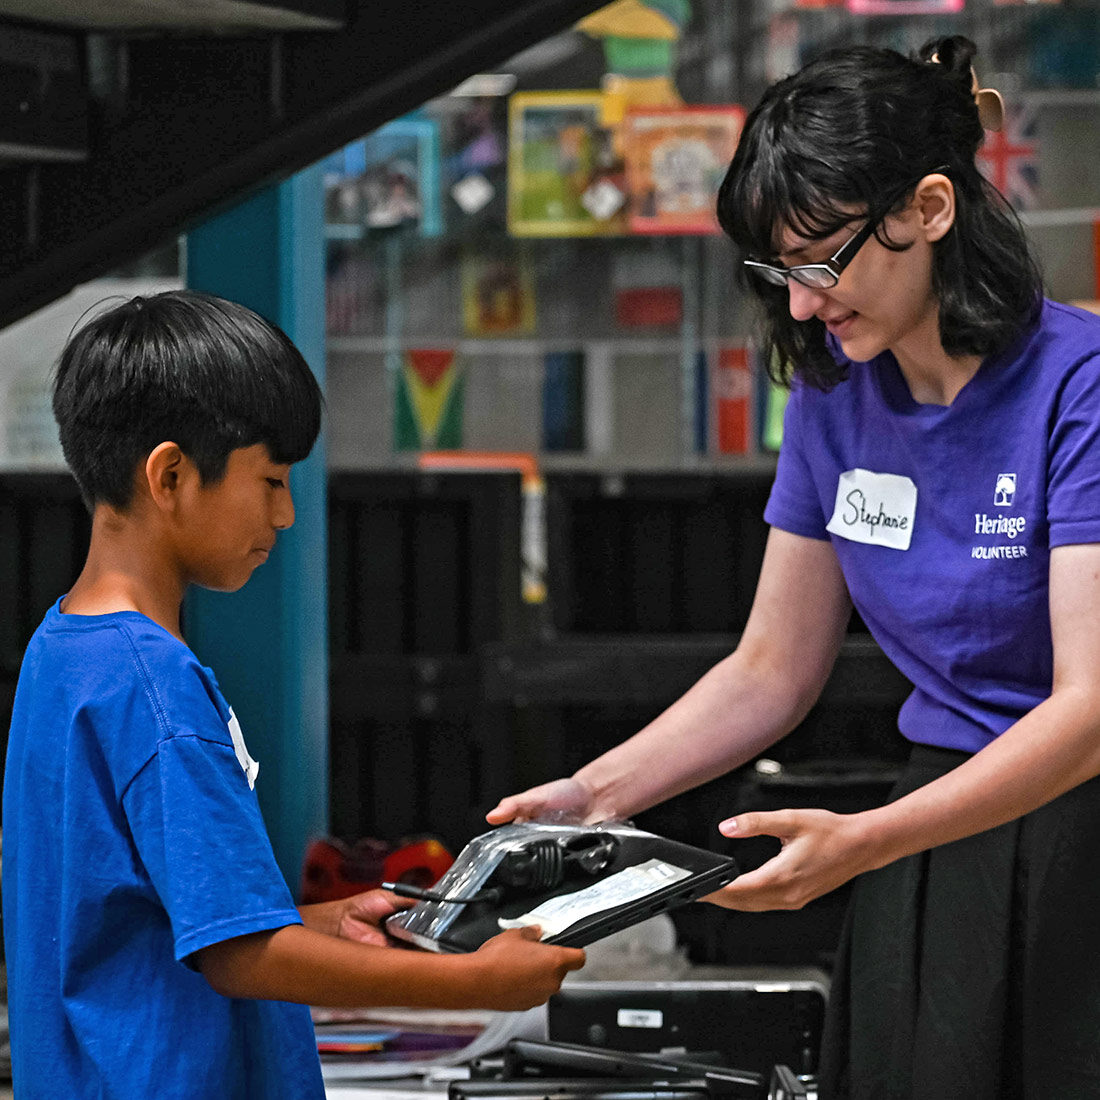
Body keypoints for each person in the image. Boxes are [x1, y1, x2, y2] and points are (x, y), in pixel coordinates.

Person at [488, 35, 1100, 1099]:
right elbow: (770, 668)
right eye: (780, 270)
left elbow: (1088, 709)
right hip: (932, 842)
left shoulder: (1075, 388)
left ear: (927, 210)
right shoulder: (833, 393)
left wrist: (864, 836)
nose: (804, 304)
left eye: (822, 262)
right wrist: (595, 793)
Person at [2, 290, 585, 1099]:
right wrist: (477, 983)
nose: (286, 513)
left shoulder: (61, 650)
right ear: (171, 474)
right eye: (271, 479)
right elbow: (240, 959)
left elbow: (138, 924)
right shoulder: (155, 686)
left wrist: (317, 925)